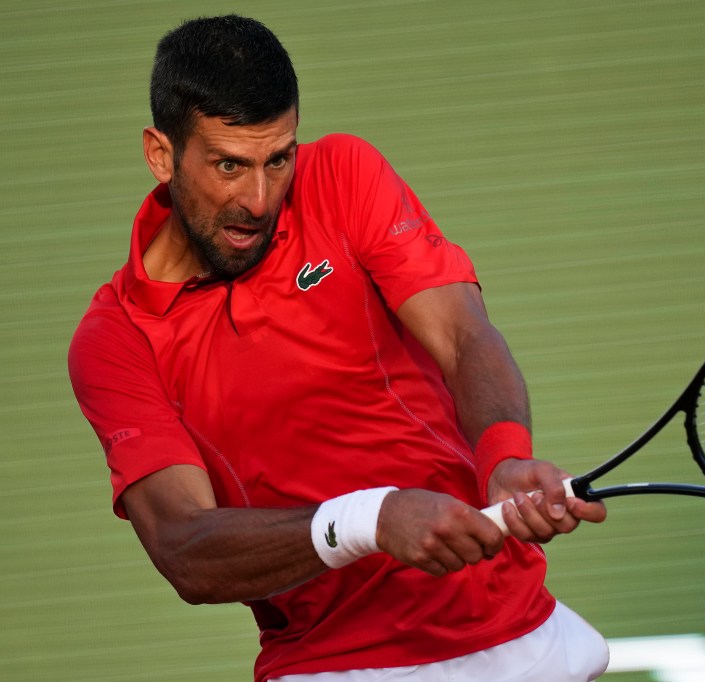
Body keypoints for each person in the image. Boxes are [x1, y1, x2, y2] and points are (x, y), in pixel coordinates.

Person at [68, 14, 609, 682]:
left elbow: (465, 334)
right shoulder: (115, 340)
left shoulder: (343, 176)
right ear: (161, 154)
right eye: (228, 166)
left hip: (515, 632)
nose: (258, 200)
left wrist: (503, 456)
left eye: (279, 159)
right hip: (332, 666)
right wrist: (369, 520)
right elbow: (186, 548)